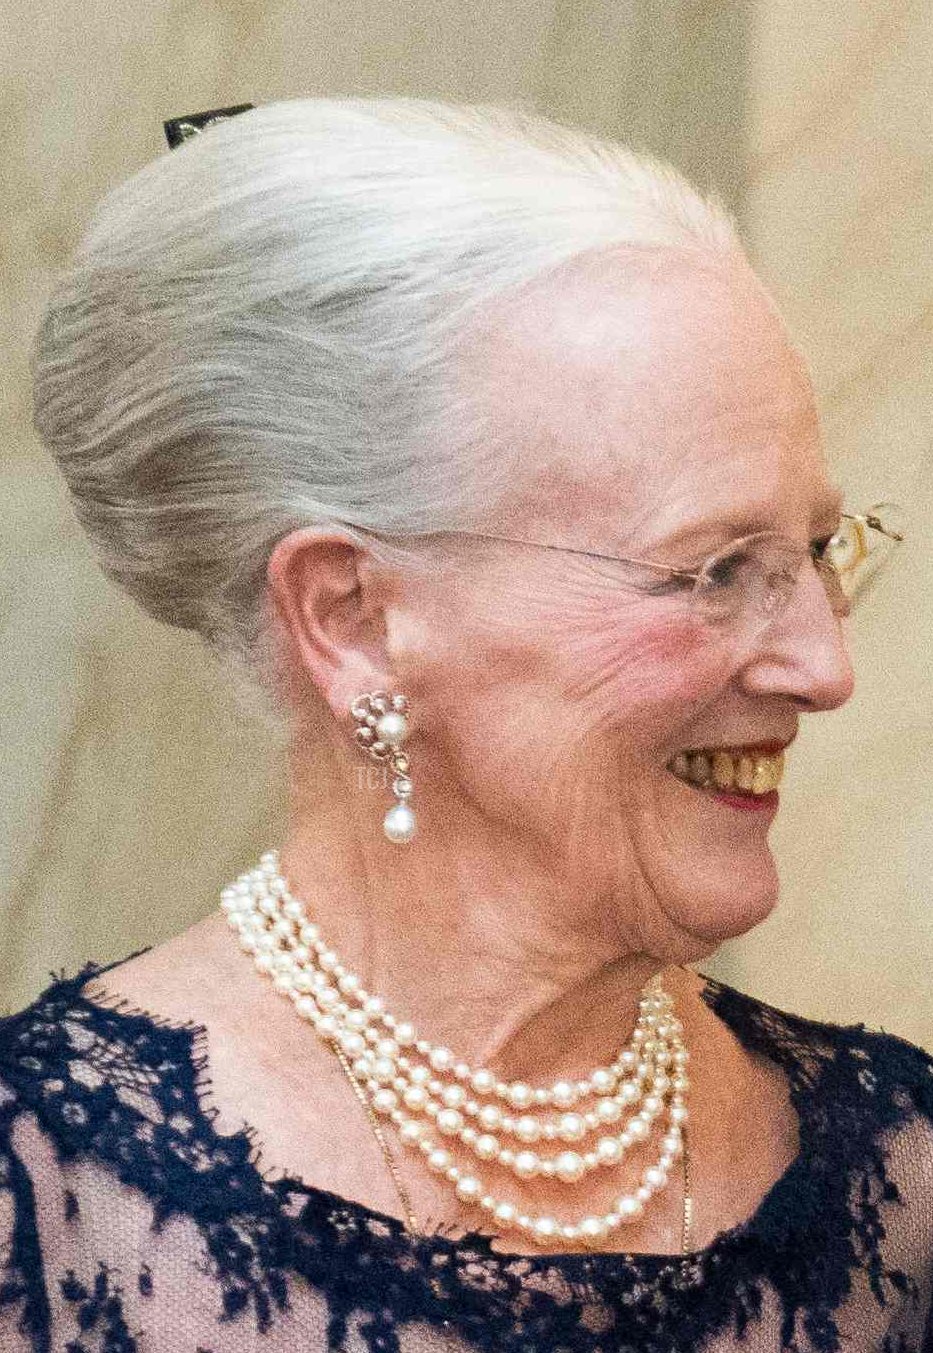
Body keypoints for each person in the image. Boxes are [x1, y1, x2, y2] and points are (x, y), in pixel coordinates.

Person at [1, 98, 930, 1353]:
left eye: (818, 553)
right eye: (713, 570)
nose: (826, 666)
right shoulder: (50, 1210)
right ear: (353, 617)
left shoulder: (897, 1180)